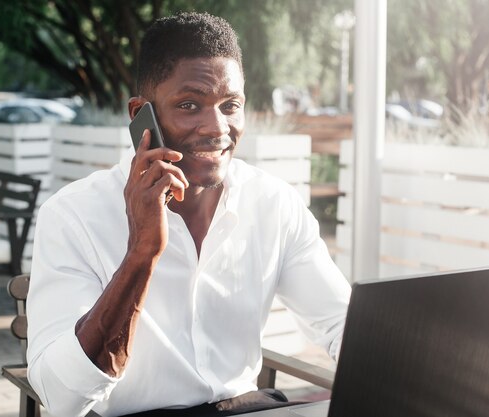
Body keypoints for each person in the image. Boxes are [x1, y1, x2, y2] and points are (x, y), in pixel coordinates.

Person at [27, 12, 351, 417]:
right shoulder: (73, 215)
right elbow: (63, 398)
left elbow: (342, 325)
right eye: (189, 105)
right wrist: (141, 253)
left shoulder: (274, 204)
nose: (217, 127)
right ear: (140, 115)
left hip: (243, 410)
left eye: (231, 105)